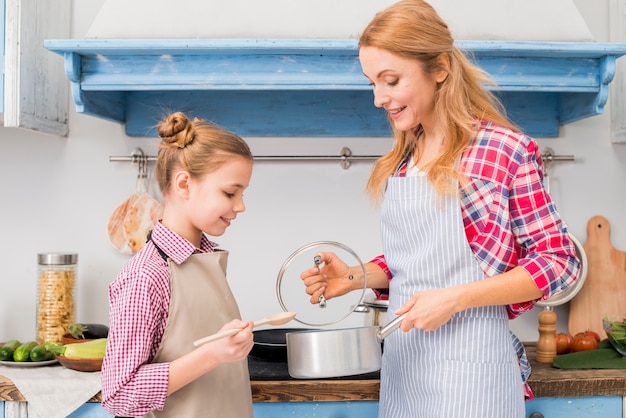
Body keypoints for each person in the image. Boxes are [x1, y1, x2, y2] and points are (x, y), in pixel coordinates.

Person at [299, 1, 580, 417]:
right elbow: (417, 266)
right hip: (406, 372)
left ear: (441, 69)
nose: (379, 98)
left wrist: (455, 299)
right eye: (372, 83)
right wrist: (354, 277)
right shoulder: (404, 158)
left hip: (473, 378)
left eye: (391, 80)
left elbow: (560, 262)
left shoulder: (504, 151)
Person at [101, 111, 255, 417]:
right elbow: (119, 394)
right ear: (184, 184)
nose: (240, 206)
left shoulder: (204, 260)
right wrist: (213, 355)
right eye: (229, 192)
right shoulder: (147, 276)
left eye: (242, 193)